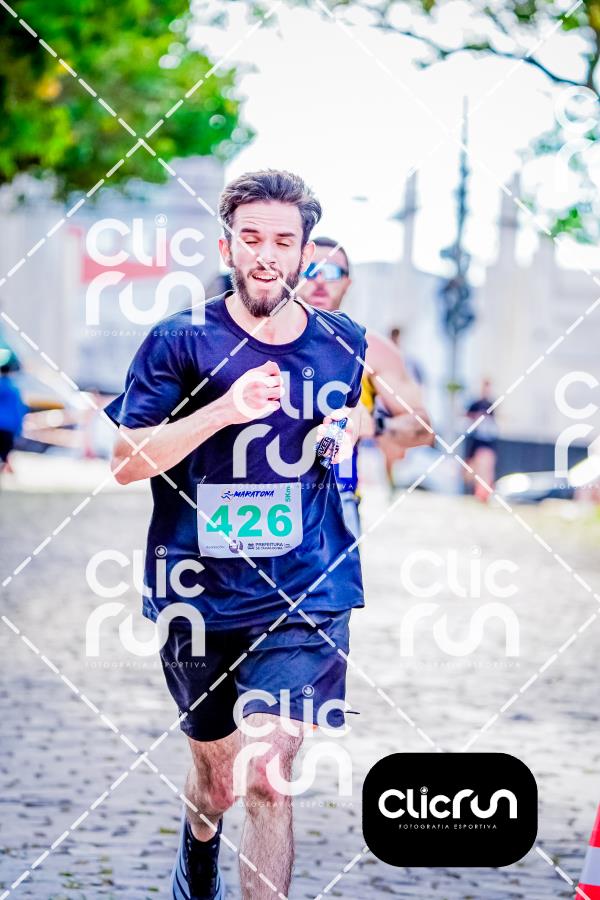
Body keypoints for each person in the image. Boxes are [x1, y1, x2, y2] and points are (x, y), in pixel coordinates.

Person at [106, 170, 367, 900]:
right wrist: (224, 411)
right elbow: (126, 461)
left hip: (307, 584)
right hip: (199, 589)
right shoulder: (179, 339)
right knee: (218, 782)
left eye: (284, 241)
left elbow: (341, 421)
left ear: (305, 252)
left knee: (268, 775)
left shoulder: (342, 341)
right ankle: (198, 848)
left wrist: (337, 437)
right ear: (227, 247)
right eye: (251, 238)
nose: (266, 255)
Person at [297, 237, 433, 532]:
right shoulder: (259, 338)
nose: (319, 281)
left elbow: (423, 428)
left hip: (337, 503)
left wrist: (374, 425)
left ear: (347, 283)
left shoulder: (372, 349)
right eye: (310, 270)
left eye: (332, 272)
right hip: (262, 499)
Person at [463, 377, 498, 502]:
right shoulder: (475, 404)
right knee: (473, 470)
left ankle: (484, 494)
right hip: (476, 443)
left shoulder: (491, 405)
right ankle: (477, 492)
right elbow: (466, 417)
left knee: (486, 470)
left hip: (487, 443)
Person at [0, 363, 27, 474]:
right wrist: (19, 429)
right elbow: (18, 410)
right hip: (9, 427)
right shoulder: (14, 389)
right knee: (6, 452)